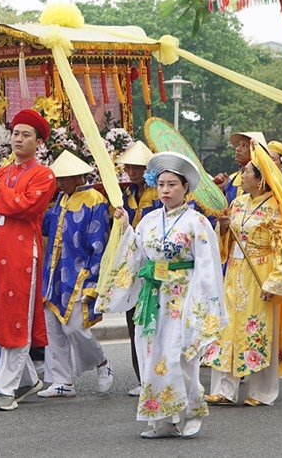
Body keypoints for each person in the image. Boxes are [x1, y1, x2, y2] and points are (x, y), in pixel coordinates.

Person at [103, 152, 225, 439]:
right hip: (153, 295)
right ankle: (160, 418)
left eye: (172, 185)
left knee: (179, 355)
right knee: (151, 353)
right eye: (161, 185)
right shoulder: (149, 220)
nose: (165, 191)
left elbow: (207, 266)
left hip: (182, 295)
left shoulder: (197, 223)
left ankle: (190, 411)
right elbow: (137, 251)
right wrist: (125, 228)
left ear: (186, 188)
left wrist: (204, 305)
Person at [207, 141, 282, 406]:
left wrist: (276, 282)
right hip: (233, 274)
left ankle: (261, 392)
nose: (241, 176)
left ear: (261, 180)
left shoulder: (276, 208)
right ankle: (224, 389)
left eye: (246, 173)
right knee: (227, 327)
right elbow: (228, 242)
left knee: (259, 329)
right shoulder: (238, 203)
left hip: (261, 273)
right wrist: (223, 228)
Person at [0, 108, 57, 412]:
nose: (19, 139)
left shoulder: (43, 175)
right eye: (16, 133)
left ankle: (6, 387)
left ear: (38, 142)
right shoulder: (0, 173)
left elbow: (27, 207)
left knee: (17, 317)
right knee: (0, 317)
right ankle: (28, 380)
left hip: (22, 255)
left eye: (26, 135)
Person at [36, 150, 113, 399]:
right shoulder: (59, 199)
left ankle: (101, 361)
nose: (58, 183)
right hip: (54, 274)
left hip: (79, 274)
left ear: (78, 177)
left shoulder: (95, 200)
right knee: (53, 327)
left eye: (63, 178)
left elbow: (98, 244)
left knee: (75, 328)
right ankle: (62, 381)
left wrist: (92, 279)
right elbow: (45, 227)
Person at [116, 139, 160, 396]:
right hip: (132, 262)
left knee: (154, 318)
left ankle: (154, 374)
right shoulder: (127, 194)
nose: (131, 172)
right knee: (133, 317)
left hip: (153, 263)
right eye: (128, 167)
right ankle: (141, 376)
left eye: (136, 167)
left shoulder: (157, 194)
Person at [214, 131, 267, 204]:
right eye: (239, 145)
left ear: (255, 151)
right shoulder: (231, 179)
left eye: (244, 145)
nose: (238, 149)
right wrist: (222, 190)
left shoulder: (265, 182)